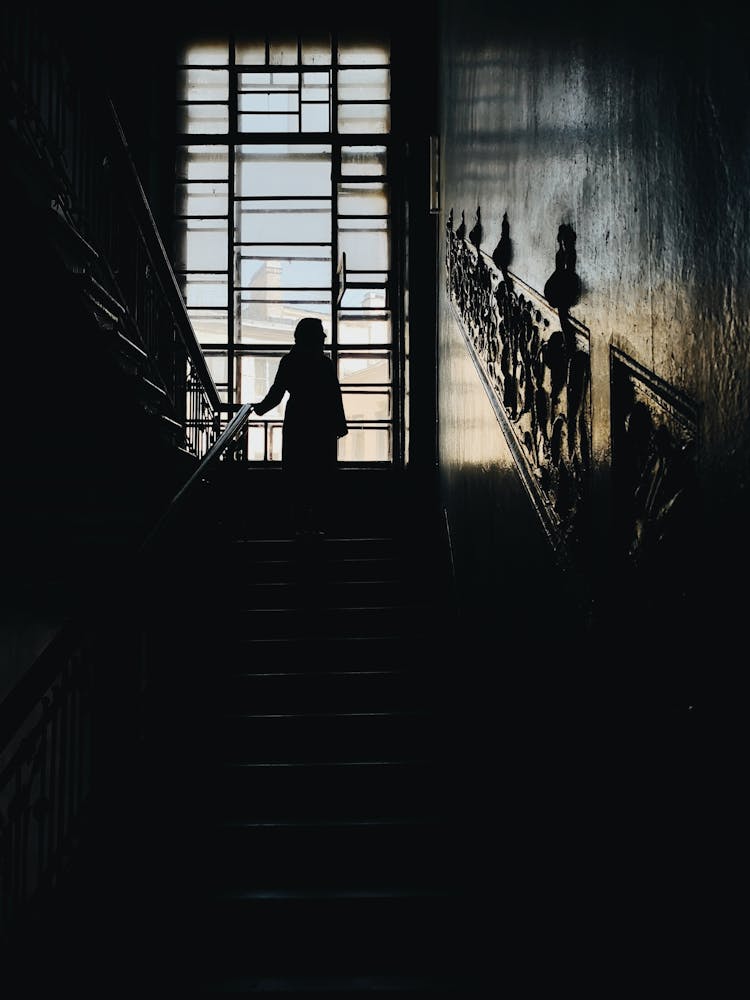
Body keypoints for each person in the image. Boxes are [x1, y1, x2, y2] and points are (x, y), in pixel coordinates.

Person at [251, 317, 348, 536]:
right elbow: (334, 397)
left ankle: (299, 524)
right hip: (322, 425)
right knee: (320, 475)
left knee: (297, 474)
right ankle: (316, 524)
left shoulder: (289, 361)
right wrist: (339, 426)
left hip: (298, 421)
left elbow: (276, 394)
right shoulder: (325, 363)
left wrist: (258, 409)